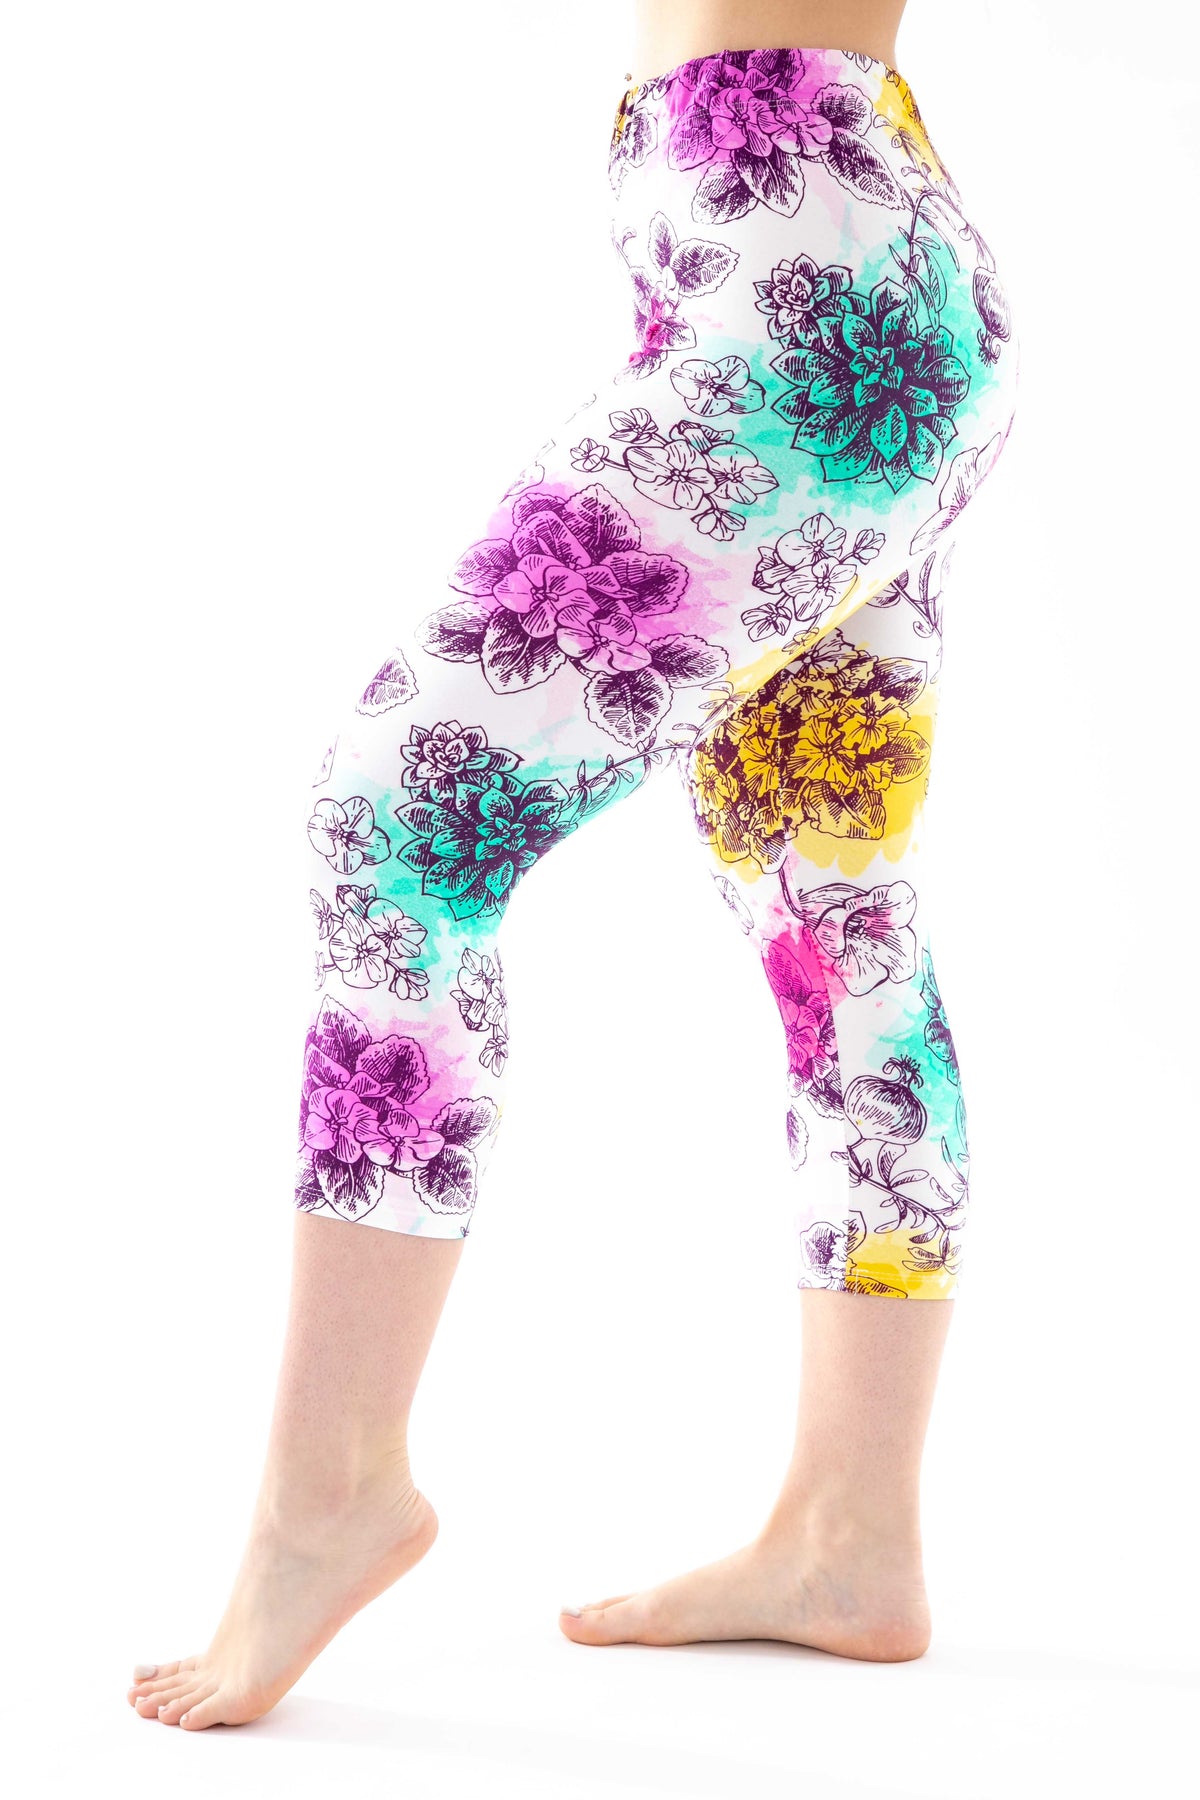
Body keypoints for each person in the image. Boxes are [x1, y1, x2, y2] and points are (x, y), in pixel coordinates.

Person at [127, 0, 1019, 1729]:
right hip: (853, 254)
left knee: (397, 828)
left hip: (801, 279)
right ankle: (851, 1537)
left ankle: (333, 1488)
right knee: (831, 915)